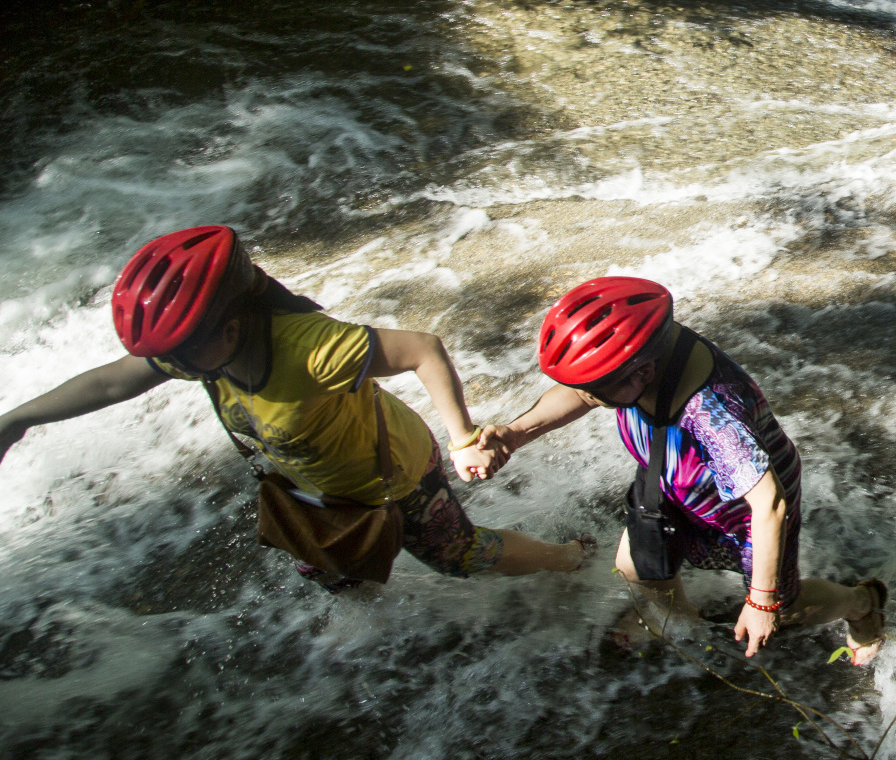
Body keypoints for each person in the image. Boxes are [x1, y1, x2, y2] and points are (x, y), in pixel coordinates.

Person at [0, 225, 590, 590]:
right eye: (167, 354)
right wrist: (16, 420)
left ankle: (574, 561)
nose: (173, 363)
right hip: (315, 489)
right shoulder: (198, 350)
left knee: (460, 557)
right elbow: (109, 384)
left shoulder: (308, 349)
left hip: (394, 475)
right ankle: (363, 628)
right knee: (331, 568)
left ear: (230, 325)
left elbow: (423, 351)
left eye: (182, 349)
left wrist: (462, 436)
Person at [473, 277, 887, 664]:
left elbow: (770, 505)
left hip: (743, 507)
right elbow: (580, 396)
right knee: (637, 565)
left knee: (785, 610)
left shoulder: (712, 415)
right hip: (671, 479)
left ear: (644, 371)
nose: (586, 397)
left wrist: (762, 602)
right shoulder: (638, 356)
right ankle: (680, 622)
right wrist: (515, 433)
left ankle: (861, 604)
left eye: (596, 389)